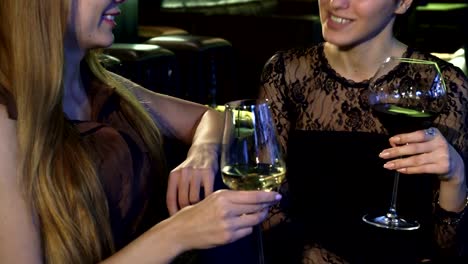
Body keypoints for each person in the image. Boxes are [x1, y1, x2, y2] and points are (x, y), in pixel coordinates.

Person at [0, 0, 282, 263]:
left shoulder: (103, 85)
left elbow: (213, 118)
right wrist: (179, 233)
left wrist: (203, 152)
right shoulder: (6, 118)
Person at [258, 0, 468, 263]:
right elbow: (267, 210)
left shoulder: (445, 85)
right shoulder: (285, 73)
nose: (336, 2)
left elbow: (448, 249)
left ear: (402, 3)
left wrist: (455, 178)